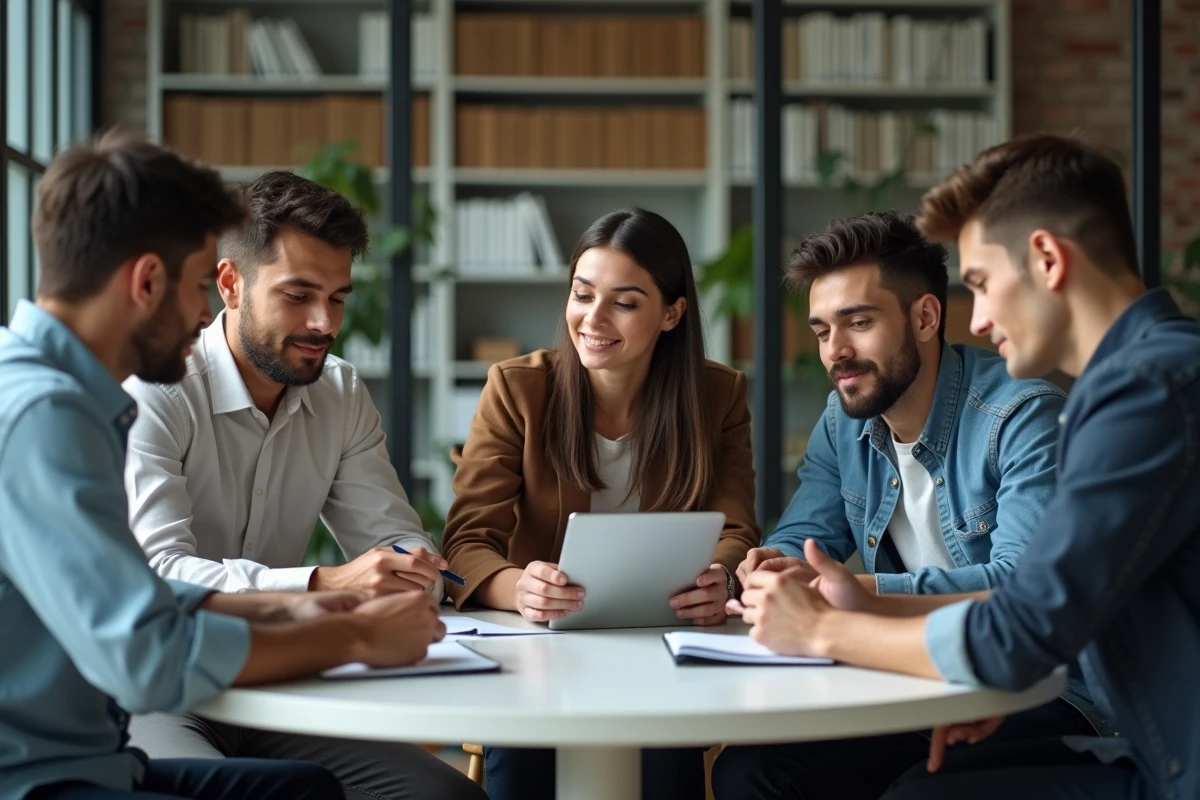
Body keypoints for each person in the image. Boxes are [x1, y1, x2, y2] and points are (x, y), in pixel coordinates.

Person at [733, 134, 1200, 800]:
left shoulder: (1144, 390)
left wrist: (822, 627)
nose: (977, 320)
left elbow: (1023, 619)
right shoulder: (1145, 377)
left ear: (1047, 259)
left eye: (980, 283)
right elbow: (1044, 603)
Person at [0, 132, 448, 800]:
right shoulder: (49, 413)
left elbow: (139, 597)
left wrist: (311, 605)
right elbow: (145, 650)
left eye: (338, 297)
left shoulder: (63, 396)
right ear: (147, 282)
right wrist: (349, 631)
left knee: (324, 791)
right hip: (44, 775)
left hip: (90, 756)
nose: (201, 313)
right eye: (196, 286)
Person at [712, 210, 1099, 799]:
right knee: (748, 771)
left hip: (1045, 687)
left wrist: (858, 592)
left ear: (924, 317)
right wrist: (774, 568)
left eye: (858, 322)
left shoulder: (1021, 416)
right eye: (822, 331)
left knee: (918, 789)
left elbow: (1020, 586)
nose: (836, 351)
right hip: (913, 674)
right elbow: (805, 535)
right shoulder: (844, 420)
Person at [120, 169, 480, 800]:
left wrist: (409, 569)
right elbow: (161, 577)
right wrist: (325, 584)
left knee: (446, 797)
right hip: (158, 687)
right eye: (298, 295)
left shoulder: (340, 392)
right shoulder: (157, 390)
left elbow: (393, 537)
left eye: (338, 298)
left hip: (280, 683)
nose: (324, 322)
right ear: (230, 284)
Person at [441, 207, 760, 799]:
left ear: (672, 313)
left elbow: (737, 530)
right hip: (540, 648)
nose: (593, 318)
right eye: (582, 294)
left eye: (625, 302)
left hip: (661, 644)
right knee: (523, 744)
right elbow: (465, 544)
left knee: (666, 752)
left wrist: (722, 578)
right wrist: (519, 588)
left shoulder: (717, 396)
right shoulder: (518, 389)